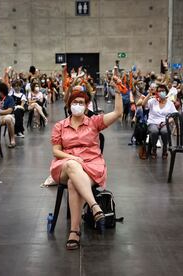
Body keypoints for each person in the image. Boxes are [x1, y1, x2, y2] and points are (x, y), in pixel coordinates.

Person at [50, 80, 123, 250]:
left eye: (81, 102)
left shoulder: (94, 122)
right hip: (64, 164)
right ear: (69, 105)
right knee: (72, 165)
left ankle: (74, 231)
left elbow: (118, 112)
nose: (77, 105)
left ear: (86, 105)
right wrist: (72, 158)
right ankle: (94, 206)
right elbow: (56, 151)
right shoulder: (60, 126)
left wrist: (118, 91)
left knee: (72, 183)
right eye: (74, 102)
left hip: (92, 165)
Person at [142, 84, 177, 159]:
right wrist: (149, 93)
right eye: (160, 91)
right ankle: (153, 149)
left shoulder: (170, 103)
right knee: (154, 131)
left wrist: (167, 122)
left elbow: (174, 115)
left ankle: (165, 149)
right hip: (152, 122)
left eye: (163, 91)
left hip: (165, 123)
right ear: (157, 92)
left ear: (166, 92)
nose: (162, 92)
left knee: (165, 132)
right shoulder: (152, 101)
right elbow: (143, 104)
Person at [0, 82, 16, 148]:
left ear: (1, 91)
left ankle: (12, 139)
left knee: (8, 118)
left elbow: (9, 110)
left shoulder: (9, 98)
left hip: (8, 116)